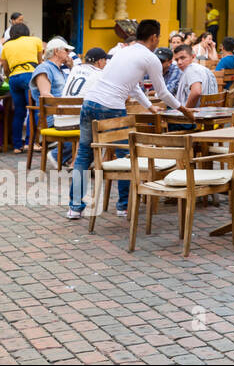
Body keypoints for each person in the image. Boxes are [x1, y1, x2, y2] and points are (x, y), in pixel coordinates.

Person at [68, 19, 194, 219]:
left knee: (84, 155)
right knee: (126, 156)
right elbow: (162, 92)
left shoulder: (123, 51)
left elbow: (132, 85)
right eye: (158, 37)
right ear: (154, 37)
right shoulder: (150, 58)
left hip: (89, 102)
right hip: (111, 107)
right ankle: (123, 206)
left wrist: (149, 106)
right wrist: (183, 109)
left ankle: (74, 208)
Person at [1, 23, 43, 154]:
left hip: (13, 78)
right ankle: (30, 143)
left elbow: (6, 68)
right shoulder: (35, 40)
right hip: (30, 76)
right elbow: (39, 62)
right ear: (27, 31)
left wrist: (12, 77)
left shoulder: (6, 46)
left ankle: (16, 146)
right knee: (34, 109)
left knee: (19, 111)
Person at [32, 39, 73, 167]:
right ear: (56, 51)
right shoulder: (44, 68)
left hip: (66, 114)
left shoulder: (62, 70)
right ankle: (58, 155)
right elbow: (46, 96)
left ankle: (74, 160)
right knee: (88, 127)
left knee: (92, 122)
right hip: (53, 117)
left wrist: (73, 68)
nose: (69, 53)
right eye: (66, 50)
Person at [173, 44, 218, 108]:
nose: (179, 62)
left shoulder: (191, 69)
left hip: (197, 114)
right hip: (210, 111)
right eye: (176, 60)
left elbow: (196, 92)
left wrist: (186, 111)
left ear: (193, 57)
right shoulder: (204, 69)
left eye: (183, 58)